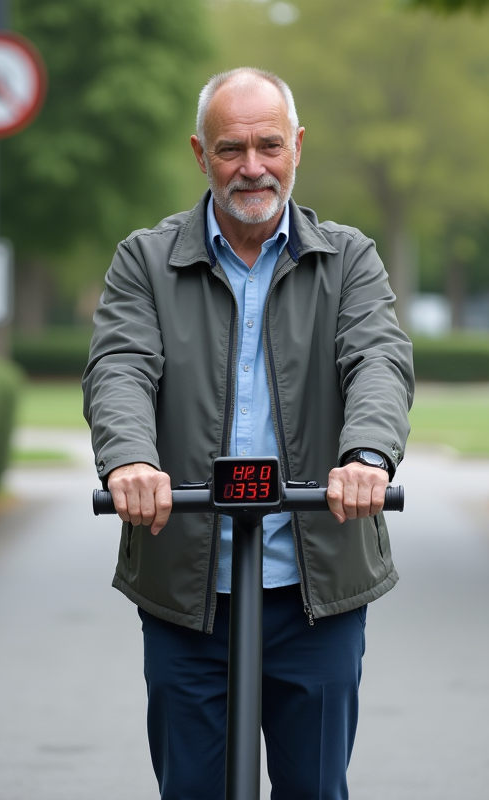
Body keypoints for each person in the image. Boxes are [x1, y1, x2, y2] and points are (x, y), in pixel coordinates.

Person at [83, 67, 414, 800]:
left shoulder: (348, 258)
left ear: (297, 147)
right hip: (187, 592)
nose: (253, 167)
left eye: (269, 145)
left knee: (315, 790)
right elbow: (121, 368)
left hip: (315, 588)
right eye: (231, 148)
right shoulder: (145, 260)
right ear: (200, 155)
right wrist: (131, 460)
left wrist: (365, 457)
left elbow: (378, 360)